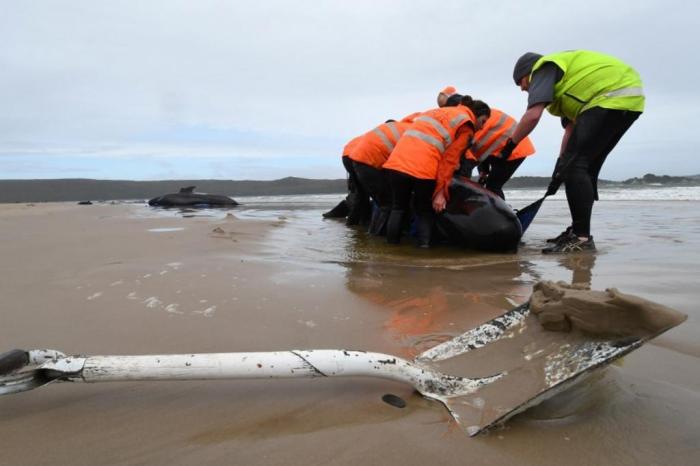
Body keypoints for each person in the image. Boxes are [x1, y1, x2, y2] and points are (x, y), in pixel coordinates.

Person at [508, 50, 644, 253]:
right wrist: (560, 164)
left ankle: (581, 239)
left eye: (520, 82)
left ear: (528, 73)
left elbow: (532, 115)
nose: (522, 89)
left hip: (609, 95)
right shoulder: (568, 92)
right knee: (581, 168)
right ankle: (578, 232)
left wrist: (509, 146)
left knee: (576, 167)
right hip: (628, 100)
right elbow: (572, 130)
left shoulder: (544, 68)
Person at [383, 96, 491, 247]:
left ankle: (390, 250)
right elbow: (450, 160)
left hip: (397, 163)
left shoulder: (436, 112)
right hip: (423, 167)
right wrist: (441, 192)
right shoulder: (466, 124)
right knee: (425, 211)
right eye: (483, 121)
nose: (482, 127)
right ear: (476, 114)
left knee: (398, 208)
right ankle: (424, 251)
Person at [438, 89, 536, 199]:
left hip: (514, 150)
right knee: (489, 187)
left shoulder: (471, 119)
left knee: (493, 187)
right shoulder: (477, 112)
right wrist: (483, 171)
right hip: (501, 150)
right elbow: (481, 147)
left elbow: (467, 153)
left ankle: (501, 215)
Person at [345, 114, 416, 235]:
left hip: (356, 158)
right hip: (368, 161)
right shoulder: (413, 132)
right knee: (387, 204)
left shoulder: (401, 128)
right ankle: (376, 238)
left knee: (368, 197)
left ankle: (358, 226)